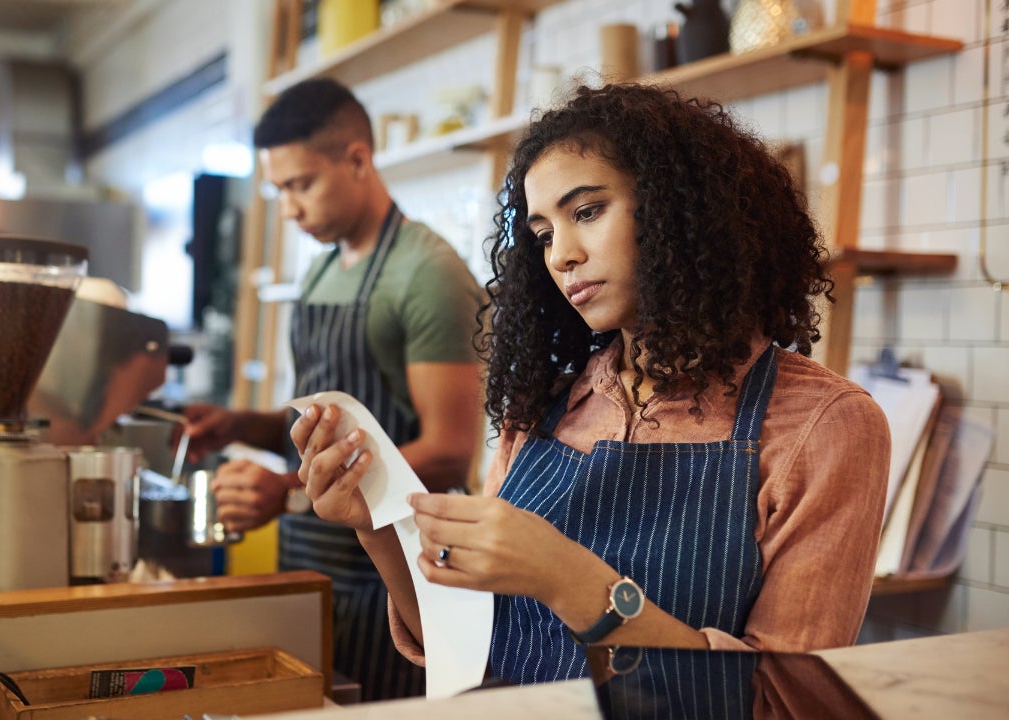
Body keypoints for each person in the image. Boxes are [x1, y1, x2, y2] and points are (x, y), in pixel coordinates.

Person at [290, 83, 891, 684]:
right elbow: (464, 644)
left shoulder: (823, 424)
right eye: (544, 234)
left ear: (679, 210)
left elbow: (785, 699)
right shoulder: (548, 403)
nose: (561, 256)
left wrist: (564, 577)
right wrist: (375, 525)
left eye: (586, 212)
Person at [181, 77, 485, 700]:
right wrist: (240, 425)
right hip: (311, 561)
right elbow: (324, 415)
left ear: (357, 159)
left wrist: (289, 492)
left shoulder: (427, 273)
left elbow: (451, 450)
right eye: (280, 191)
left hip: (395, 580)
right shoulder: (323, 267)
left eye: (301, 185)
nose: (290, 210)